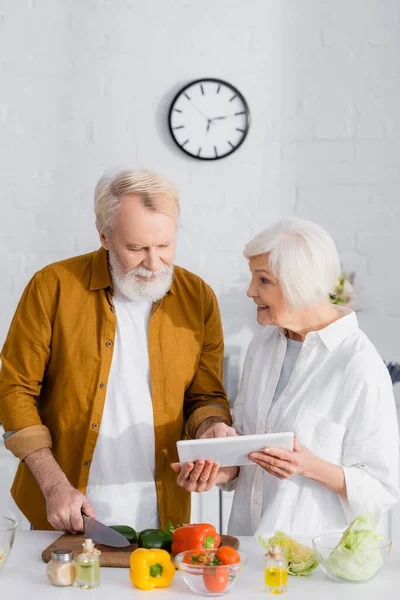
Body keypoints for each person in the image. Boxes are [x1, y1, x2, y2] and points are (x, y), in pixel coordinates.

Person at [0, 168, 234, 532]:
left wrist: (212, 430)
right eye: (137, 248)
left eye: (165, 246)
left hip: (162, 510)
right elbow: (14, 391)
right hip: (63, 508)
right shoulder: (52, 286)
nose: (154, 263)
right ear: (105, 237)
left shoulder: (198, 298)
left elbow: (206, 397)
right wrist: (54, 485)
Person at [173, 217, 400, 536]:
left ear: (300, 284)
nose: (251, 291)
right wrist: (217, 470)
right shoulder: (261, 348)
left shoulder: (358, 365)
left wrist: (309, 466)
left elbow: (382, 488)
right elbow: (249, 456)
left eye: (263, 280)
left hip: (311, 566)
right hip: (246, 552)